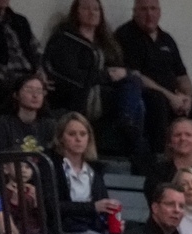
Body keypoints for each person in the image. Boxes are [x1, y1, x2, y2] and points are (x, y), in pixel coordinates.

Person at [114, 0, 192, 157]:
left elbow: (182, 75)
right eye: (144, 9)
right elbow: (135, 75)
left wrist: (187, 98)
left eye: (153, 9)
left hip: (174, 97)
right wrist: (170, 96)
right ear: (135, 12)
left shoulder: (167, 39)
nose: (149, 14)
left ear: (159, 12)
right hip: (147, 95)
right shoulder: (125, 35)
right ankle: (160, 160)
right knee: (157, 100)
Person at [43, 0, 145, 155]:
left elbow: (118, 67)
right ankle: (127, 124)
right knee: (132, 96)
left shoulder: (106, 41)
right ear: (76, 12)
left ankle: (127, 122)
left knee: (135, 85)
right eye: (86, 8)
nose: (92, 13)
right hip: (77, 92)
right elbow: (72, 75)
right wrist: (107, 76)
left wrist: (123, 74)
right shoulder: (66, 39)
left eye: (96, 9)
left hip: (102, 89)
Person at [51, 112, 116, 234]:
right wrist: (92, 207)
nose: (78, 139)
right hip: (63, 230)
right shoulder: (52, 167)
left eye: (83, 134)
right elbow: (52, 206)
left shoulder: (94, 169)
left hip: (92, 227)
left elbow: (103, 203)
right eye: (72, 134)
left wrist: (111, 220)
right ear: (61, 138)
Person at [141, 117, 192, 218]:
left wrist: (173, 194)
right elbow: (154, 197)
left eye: (188, 135)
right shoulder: (158, 168)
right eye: (177, 135)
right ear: (170, 142)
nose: (183, 138)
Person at [0, 74, 52, 153]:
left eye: (39, 91)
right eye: (29, 90)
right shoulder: (2, 124)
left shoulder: (50, 126)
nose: (35, 95)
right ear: (16, 95)